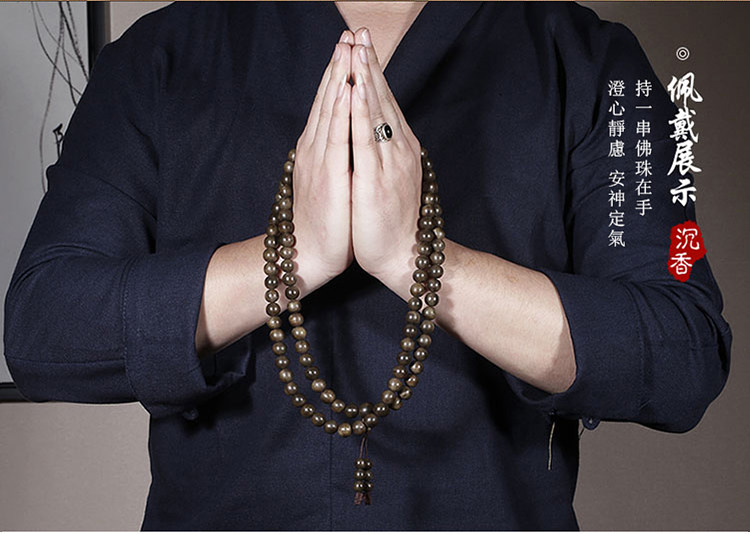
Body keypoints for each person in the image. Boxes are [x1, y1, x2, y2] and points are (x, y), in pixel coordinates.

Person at [3, 2, 732, 530]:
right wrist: (288, 259)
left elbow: (684, 350)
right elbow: (44, 326)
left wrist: (424, 263)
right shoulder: (159, 57)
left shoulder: (590, 61)